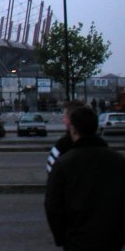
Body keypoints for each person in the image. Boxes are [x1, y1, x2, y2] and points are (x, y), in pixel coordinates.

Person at [45, 106, 125, 250]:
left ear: (73, 129)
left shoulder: (63, 164)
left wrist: (62, 237)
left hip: (77, 241)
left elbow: (52, 205)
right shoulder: (119, 161)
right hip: (112, 241)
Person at [45, 101, 84, 174]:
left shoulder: (62, 146)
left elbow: (51, 173)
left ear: (71, 119)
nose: (63, 120)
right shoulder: (103, 146)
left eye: (65, 117)